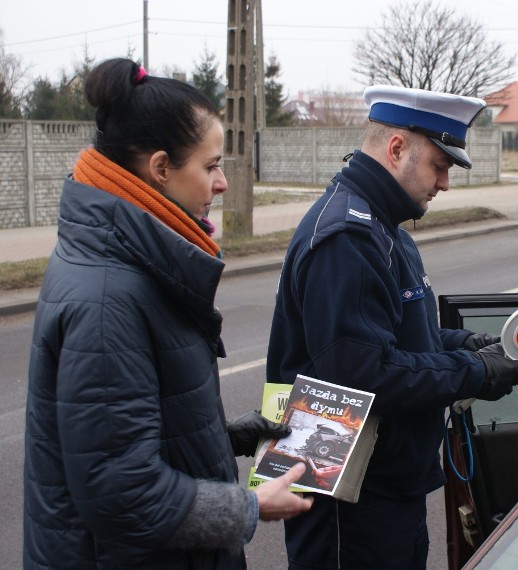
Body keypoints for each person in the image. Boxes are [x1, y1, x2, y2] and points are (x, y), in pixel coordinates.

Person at [23, 58, 313, 570]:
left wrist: (225, 438)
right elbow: (123, 494)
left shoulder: (126, 260)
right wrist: (249, 506)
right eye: (211, 165)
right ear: (160, 169)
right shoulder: (109, 297)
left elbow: (122, 435)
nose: (222, 182)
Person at [266, 85, 518, 569]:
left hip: (383, 483)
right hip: (349, 495)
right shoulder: (348, 237)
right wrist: (473, 372)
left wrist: (467, 344)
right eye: (440, 166)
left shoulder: (383, 226)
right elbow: (362, 374)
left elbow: (394, 336)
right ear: (397, 148)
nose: (444, 183)